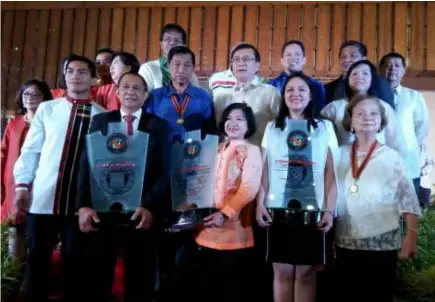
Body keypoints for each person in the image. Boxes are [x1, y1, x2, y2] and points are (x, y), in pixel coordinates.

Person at [13, 55, 105, 302]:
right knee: (38, 261)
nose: (76, 75)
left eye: (82, 71)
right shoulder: (47, 108)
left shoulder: (102, 116)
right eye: (70, 71)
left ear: (92, 77)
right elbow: (31, 150)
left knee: (75, 265)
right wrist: (22, 185)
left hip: (80, 204)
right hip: (43, 199)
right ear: (64, 76)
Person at [76, 72, 170, 302]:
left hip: (141, 215)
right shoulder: (101, 121)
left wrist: (149, 206)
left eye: (137, 88)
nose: (131, 92)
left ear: (145, 95)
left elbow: (165, 170)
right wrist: (83, 205)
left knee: (141, 281)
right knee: (98, 278)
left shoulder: (158, 126)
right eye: (125, 87)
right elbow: (85, 164)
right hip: (102, 213)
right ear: (117, 93)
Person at [256, 73, 337, 302]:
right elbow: (264, 169)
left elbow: (331, 173)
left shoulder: (324, 128)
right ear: (283, 96)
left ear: (311, 96)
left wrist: (329, 210)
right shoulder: (273, 128)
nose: (296, 94)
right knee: (281, 271)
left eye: (302, 90)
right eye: (290, 90)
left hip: (313, 210)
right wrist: (260, 203)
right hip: (277, 208)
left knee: (306, 272)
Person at [334, 94, 421, 302]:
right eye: (360, 114)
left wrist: (411, 236)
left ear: (381, 121)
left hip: (381, 242)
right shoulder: (337, 154)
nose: (367, 118)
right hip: (344, 240)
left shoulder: (392, 157)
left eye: (374, 114)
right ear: (351, 121)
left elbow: (408, 199)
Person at [195, 103, 262, 302]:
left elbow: (249, 188)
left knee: (232, 289)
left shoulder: (252, 150)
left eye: (239, 119)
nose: (233, 123)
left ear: (248, 126)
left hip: (235, 228)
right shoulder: (212, 149)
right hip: (205, 228)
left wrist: (225, 213)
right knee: (207, 287)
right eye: (229, 118)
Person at [1, 79, 52, 265]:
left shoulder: (51, 122)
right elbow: (3, 153)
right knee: (15, 236)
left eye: (36, 94)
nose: (30, 98)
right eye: (26, 94)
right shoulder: (14, 123)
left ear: (45, 98)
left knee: (39, 237)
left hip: (42, 184)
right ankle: (14, 282)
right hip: (14, 185)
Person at [321, 60, 405, 157]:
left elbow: (395, 141)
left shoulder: (383, 106)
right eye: (354, 73)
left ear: (372, 79)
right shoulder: (333, 107)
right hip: (343, 162)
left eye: (365, 73)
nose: (359, 76)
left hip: (378, 160)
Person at [379, 52, 429, 194]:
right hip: (380, 159)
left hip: (407, 159)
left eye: (396, 65)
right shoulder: (372, 97)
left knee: (407, 207)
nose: (392, 68)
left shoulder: (413, 96)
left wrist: (407, 144)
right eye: (387, 65)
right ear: (380, 70)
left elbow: (422, 126)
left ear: (403, 70)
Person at [212, 43, 281, 146]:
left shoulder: (270, 93)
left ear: (257, 65)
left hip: (260, 156)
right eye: (236, 60)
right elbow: (217, 132)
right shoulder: (221, 97)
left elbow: (281, 126)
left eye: (246, 59)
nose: (241, 63)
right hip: (229, 157)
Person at [145, 46, 216, 143]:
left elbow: (210, 134)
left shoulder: (204, 98)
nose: (181, 70)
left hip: (194, 153)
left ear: (193, 68)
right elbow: (146, 130)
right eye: (177, 64)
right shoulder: (155, 97)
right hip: (161, 153)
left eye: (187, 65)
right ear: (169, 67)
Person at [324, 40, 394, 109]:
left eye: (353, 56)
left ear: (364, 59)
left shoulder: (379, 82)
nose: (347, 60)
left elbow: (388, 112)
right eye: (343, 57)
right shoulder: (327, 88)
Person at [139, 23, 200, 92]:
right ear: (161, 45)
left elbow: (197, 95)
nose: (172, 43)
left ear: (184, 46)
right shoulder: (148, 69)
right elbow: (143, 96)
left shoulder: (190, 74)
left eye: (177, 40)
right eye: (168, 39)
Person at [269, 40, 326, 110]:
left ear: (304, 60)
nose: (293, 57)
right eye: (288, 54)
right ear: (282, 61)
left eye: (297, 54)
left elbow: (319, 112)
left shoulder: (316, 85)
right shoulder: (271, 85)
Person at [419, 143, 434, 208]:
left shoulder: (423, 147)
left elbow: (430, 163)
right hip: (408, 186)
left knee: (425, 211)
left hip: (423, 184)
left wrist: (423, 171)